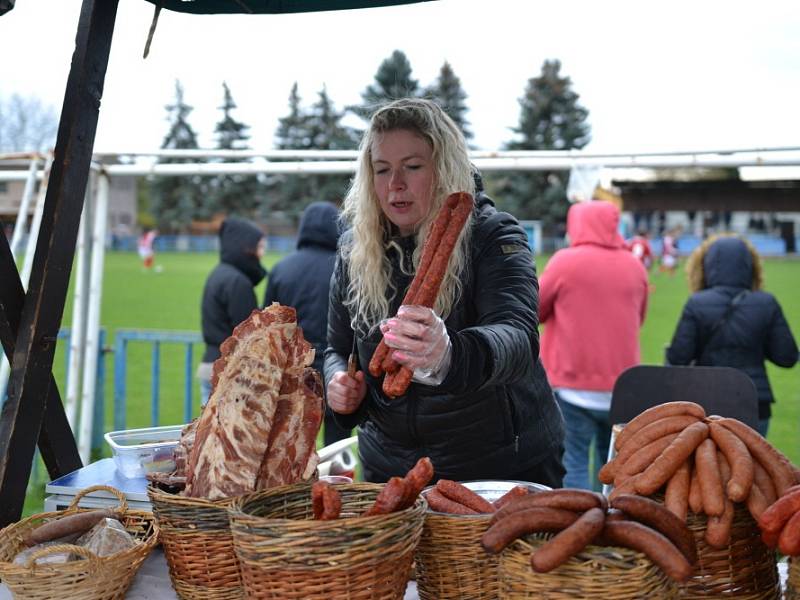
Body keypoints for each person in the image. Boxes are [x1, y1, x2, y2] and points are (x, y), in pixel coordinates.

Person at [324, 98, 565, 487]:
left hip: (497, 466)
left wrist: (449, 354)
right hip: (391, 469)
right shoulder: (355, 249)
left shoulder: (492, 234)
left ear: (445, 167)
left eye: (413, 167)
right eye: (382, 170)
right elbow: (337, 347)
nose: (395, 184)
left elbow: (517, 337)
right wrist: (338, 383)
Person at [539, 200, 649, 491]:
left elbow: (534, 310)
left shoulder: (565, 261)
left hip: (572, 382)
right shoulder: (634, 265)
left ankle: (578, 525)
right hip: (622, 387)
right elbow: (639, 318)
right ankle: (610, 526)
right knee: (612, 467)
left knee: (572, 461)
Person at [666, 234, 797, 436]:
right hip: (755, 403)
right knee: (751, 467)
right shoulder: (766, 302)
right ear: (751, 266)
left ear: (706, 266)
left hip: (706, 404)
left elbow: (677, 358)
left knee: (706, 467)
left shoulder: (697, 303)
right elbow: (787, 357)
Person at [263, 201, 351, 446]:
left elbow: (268, 327)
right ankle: (340, 485)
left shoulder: (282, 269)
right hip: (339, 370)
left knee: (293, 450)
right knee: (337, 447)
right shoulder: (346, 267)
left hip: (295, 372)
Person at [197, 217, 267, 406]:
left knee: (210, 433)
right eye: (258, 247)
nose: (262, 254)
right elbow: (250, 334)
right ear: (244, 248)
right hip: (230, 371)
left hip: (212, 364)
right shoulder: (237, 282)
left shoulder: (220, 274)